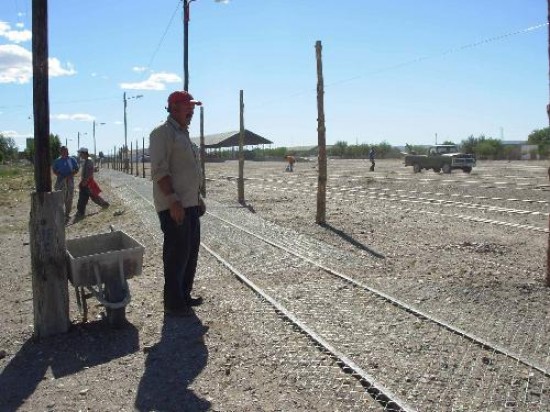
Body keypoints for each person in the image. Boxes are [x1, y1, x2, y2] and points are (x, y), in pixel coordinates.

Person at [149, 90, 206, 317]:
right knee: (176, 252)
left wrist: (197, 198)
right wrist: (173, 200)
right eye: (187, 106)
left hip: (189, 203)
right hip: (174, 205)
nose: (191, 111)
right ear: (174, 108)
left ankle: (184, 294)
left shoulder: (183, 134)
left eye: (192, 107)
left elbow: (187, 171)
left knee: (190, 250)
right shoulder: (162, 133)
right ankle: (173, 302)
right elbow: (160, 171)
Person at [75, 147, 109, 220]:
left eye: (80, 153)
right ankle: (80, 212)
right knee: (84, 198)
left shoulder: (89, 161)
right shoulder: (86, 161)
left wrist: (85, 181)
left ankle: (104, 204)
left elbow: (90, 172)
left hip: (88, 183)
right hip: (85, 182)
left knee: (92, 197)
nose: (80, 155)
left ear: (84, 153)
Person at [52, 145, 79, 223]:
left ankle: (67, 214)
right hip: (60, 181)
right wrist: (60, 175)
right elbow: (54, 170)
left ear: (67, 151)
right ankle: (60, 214)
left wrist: (70, 175)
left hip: (69, 181)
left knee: (69, 198)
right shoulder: (57, 161)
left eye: (66, 151)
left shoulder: (72, 160)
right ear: (60, 152)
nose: (64, 152)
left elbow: (76, 169)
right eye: (62, 151)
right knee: (59, 197)